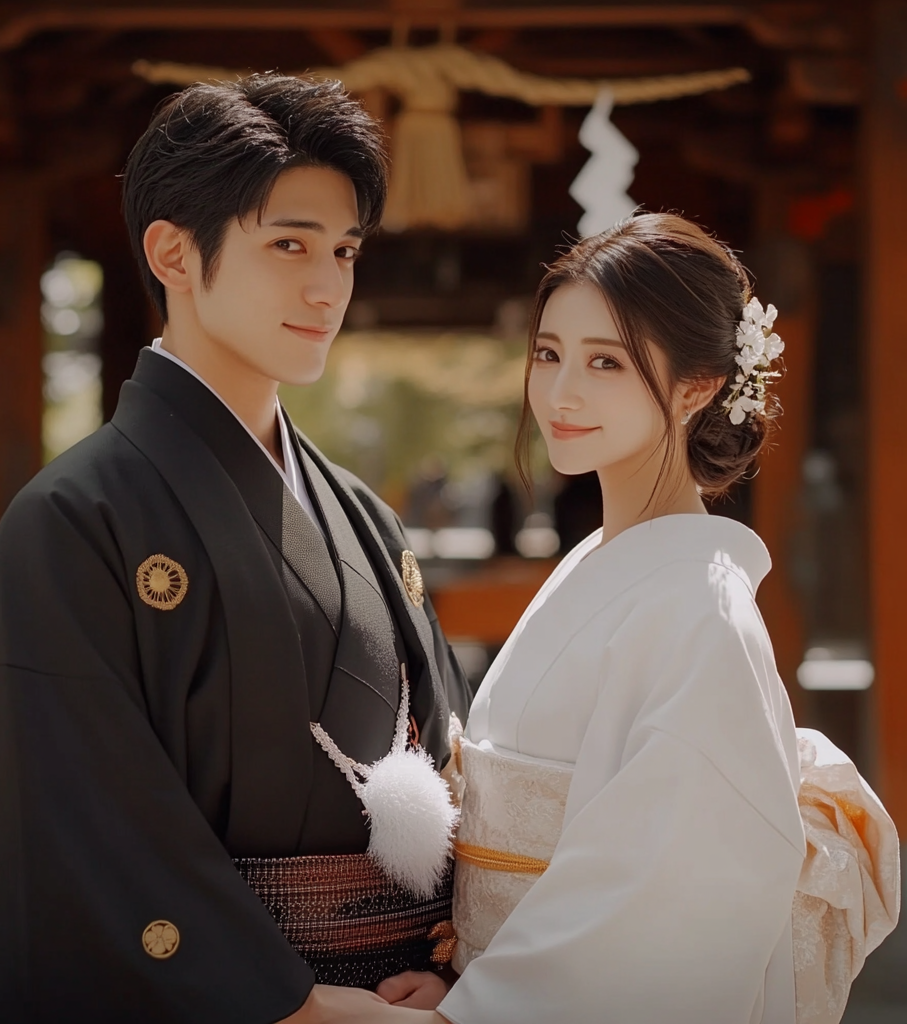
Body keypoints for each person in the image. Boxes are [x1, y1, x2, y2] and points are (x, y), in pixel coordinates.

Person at [0, 76, 470, 1024]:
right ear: (174, 252)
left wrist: (454, 953)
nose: (327, 284)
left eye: (344, 250)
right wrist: (297, 1005)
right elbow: (69, 826)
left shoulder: (364, 518)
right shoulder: (75, 522)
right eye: (289, 244)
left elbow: (449, 760)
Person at [367, 214, 899, 1023]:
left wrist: (470, 1014)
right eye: (548, 354)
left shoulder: (701, 613)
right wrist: (465, 981)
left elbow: (663, 901)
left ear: (699, 385)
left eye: (606, 362)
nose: (561, 392)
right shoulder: (601, 564)